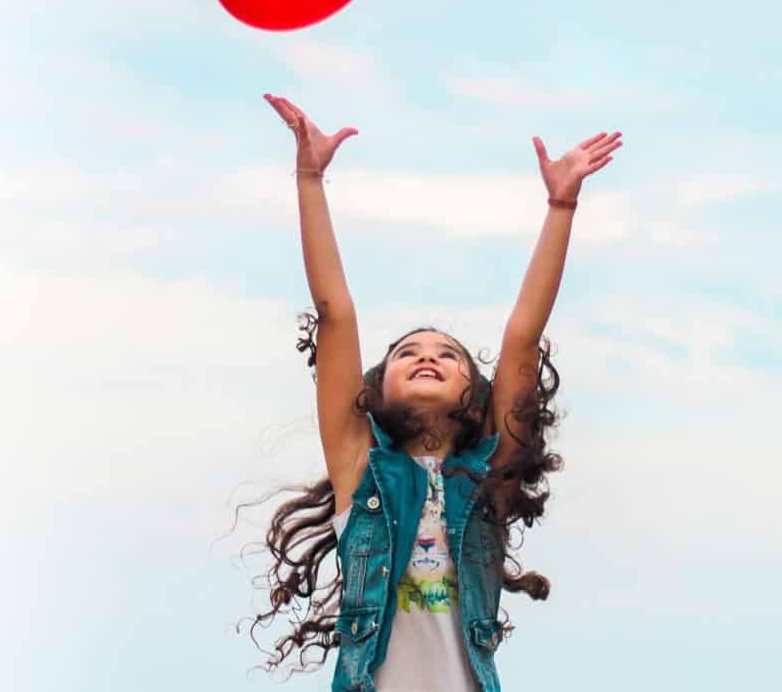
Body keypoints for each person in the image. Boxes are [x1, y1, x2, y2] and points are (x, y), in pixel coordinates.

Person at [245, 94, 621, 692]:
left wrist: (561, 204)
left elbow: (523, 337)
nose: (427, 356)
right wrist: (310, 177)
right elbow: (334, 313)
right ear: (375, 391)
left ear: (477, 395)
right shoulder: (357, 471)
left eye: (448, 354)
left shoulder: (487, 478)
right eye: (408, 353)